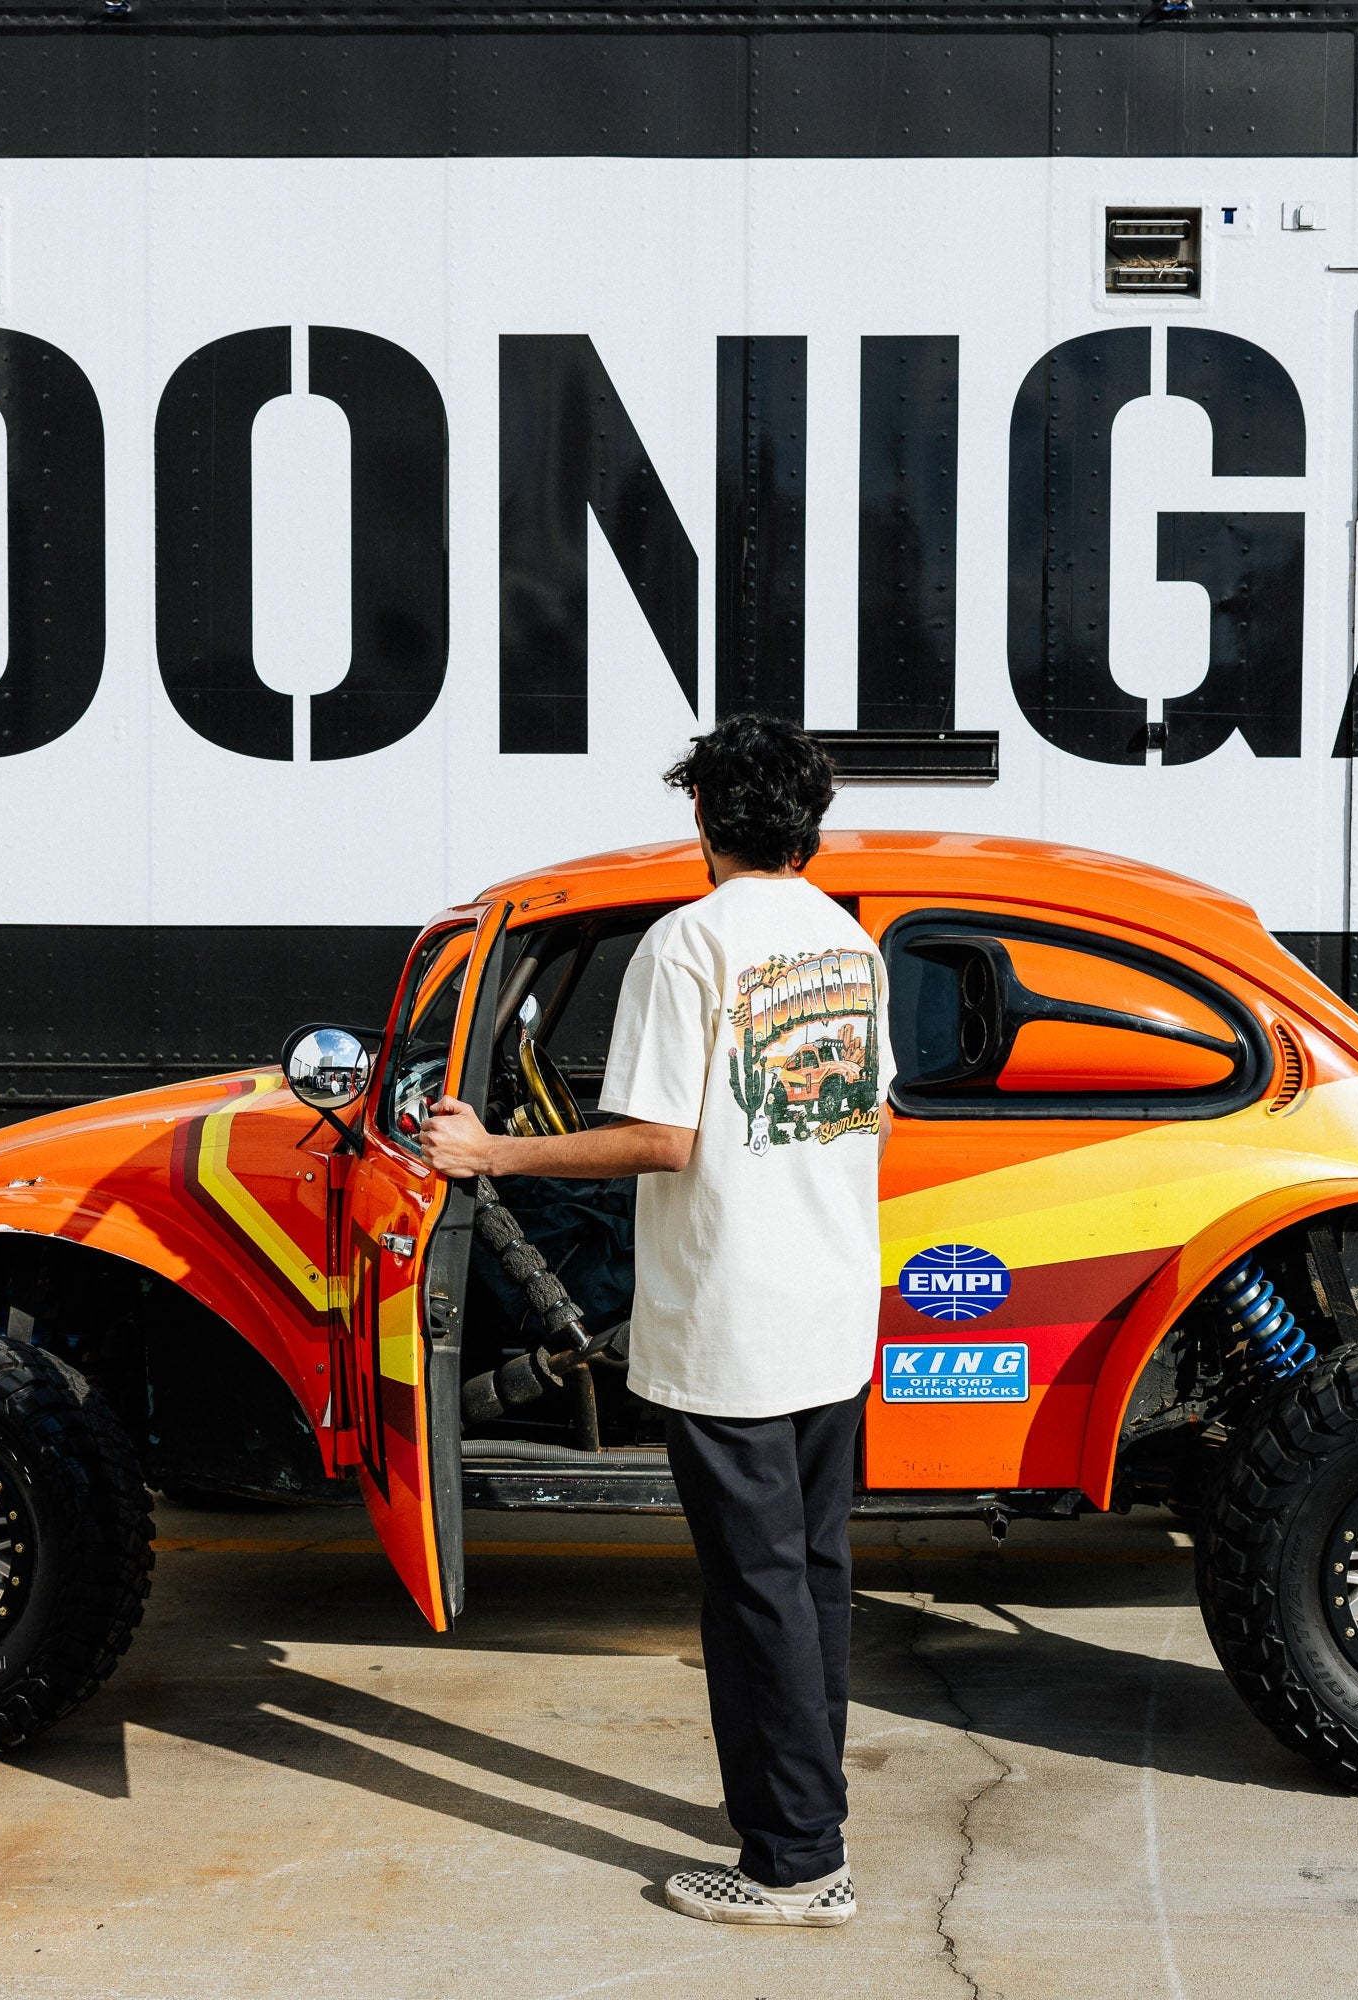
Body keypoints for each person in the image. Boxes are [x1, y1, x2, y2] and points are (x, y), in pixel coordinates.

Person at [419, 713, 892, 1929]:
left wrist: (494, 1150)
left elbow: (660, 1137)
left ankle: (793, 1861)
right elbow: (866, 1115)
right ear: (811, 825)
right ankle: (808, 1806)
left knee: (753, 1589)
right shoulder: (847, 944)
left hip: (736, 1317)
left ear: (702, 821)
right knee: (812, 1575)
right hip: (834, 1306)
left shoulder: (686, 944)